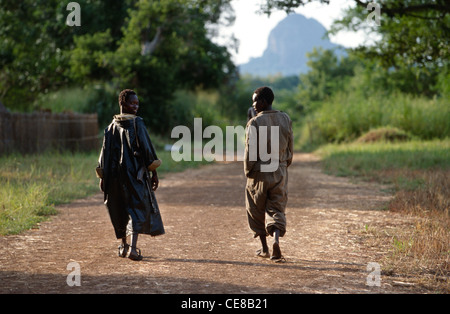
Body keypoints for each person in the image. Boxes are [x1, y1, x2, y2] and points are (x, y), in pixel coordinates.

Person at [96, 89, 164, 261]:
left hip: (114, 176)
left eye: (137, 103)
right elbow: (147, 150)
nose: (136, 106)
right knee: (136, 208)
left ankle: (123, 246)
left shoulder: (111, 127)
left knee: (118, 208)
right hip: (135, 175)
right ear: (122, 103)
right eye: (132, 103)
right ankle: (133, 249)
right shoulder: (137, 123)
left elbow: (103, 155)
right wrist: (153, 171)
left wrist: (103, 176)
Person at [244, 86, 293, 262]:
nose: (254, 105)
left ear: (263, 101)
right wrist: (284, 164)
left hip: (259, 172)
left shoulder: (254, 122)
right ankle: (276, 240)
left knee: (256, 208)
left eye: (255, 101)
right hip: (279, 170)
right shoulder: (285, 118)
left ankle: (265, 248)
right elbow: (289, 146)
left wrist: (248, 171)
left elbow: (250, 151)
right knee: (276, 207)